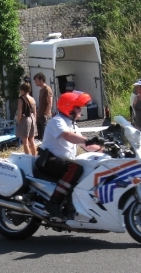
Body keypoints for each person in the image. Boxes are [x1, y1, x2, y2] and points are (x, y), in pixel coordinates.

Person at [35, 92, 101, 222]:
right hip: (48, 160)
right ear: (69, 107)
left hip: (61, 161)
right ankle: (53, 204)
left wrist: (105, 152)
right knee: (76, 168)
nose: (80, 110)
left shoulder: (73, 125)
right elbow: (67, 136)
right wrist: (89, 140)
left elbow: (85, 145)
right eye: (78, 107)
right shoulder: (57, 121)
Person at [16, 81, 38, 156]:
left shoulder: (21, 99)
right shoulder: (32, 99)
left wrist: (18, 121)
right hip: (32, 118)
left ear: (22, 90)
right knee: (32, 141)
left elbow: (19, 113)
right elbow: (35, 113)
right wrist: (34, 121)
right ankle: (34, 156)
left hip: (25, 119)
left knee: (25, 141)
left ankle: (28, 158)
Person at [34, 72, 53, 140]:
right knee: (40, 135)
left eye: (36, 80)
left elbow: (50, 103)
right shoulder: (41, 90)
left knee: (45, 136)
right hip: (40, 115)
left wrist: (46, 115)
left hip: (45, 116)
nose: (35, 82)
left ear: (41, 80)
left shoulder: (47, 89)